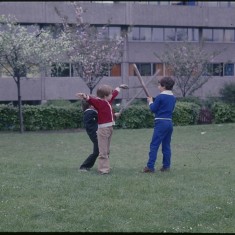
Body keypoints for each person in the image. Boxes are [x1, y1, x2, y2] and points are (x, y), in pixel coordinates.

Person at [76, 83, 128, 174]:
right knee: (103, 151)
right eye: (110, 94)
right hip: (103, 130)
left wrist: (119, 87)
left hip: (109, 128)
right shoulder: (100, 103)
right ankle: (103, 170)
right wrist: (85, 96)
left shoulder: (107, 101)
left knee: (106, 150)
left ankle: (105, 167)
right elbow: (91, 100)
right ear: (105, 96)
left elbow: (114, 94)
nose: (112, 95)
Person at [143, 76, 176, 173]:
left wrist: (150, 102)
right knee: (166, 145)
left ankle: (150, 167)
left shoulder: (161, 96)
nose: (158, 86)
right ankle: (166, 166)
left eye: (159, 84)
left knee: (154, 145)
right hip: (169, 123)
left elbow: (153, 109)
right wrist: (153, 100)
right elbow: (163, 105)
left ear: (164, 86)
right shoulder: (173, 98)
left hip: (160, 123)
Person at [79, 100, 99, 172]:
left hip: (94, 134)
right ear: (91, 105)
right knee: (97, 152)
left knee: (101, 151)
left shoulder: (89, 113)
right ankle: (84, 166)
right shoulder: (91, 112)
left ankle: (104, 166)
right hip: (96, 134)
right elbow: (102, 116)